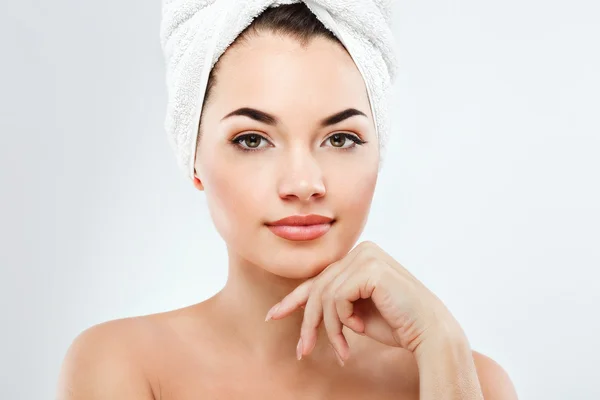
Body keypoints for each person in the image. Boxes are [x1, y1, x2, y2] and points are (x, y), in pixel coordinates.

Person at [57, 3, 518, 399]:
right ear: (193, 157)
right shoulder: (123, 365)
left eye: (340, 138)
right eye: (253, 139)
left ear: (379, 153)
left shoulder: (470, 378)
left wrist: (441, 346)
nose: (303, 183)